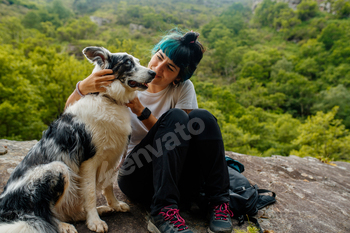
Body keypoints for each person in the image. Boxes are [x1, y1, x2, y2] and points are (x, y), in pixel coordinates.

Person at [65, 29, 233, 233]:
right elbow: (70, 112)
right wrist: (82, 87)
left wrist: (141, 111)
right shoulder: (126, 78)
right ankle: (163, 212)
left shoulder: (183, 89)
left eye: (169, 68)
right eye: (159, 57)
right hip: (138, 172)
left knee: (203, 117)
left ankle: (219, 203)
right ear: (154, 53)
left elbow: (184, 139)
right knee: (176, 117)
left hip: (176, 174)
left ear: (178, 78)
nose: (158, 68)